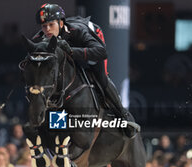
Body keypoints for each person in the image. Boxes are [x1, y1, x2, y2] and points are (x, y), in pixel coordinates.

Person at [33, 3, 138, 138]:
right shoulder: (39, 39)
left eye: (51, 25)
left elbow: (101, 52)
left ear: (60, 23)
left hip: (91, 43)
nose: (47, 30)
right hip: (69, 54)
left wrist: (70, 51)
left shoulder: (77, 31)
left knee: (101, 77)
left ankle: (123, 116)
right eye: (44, 26)